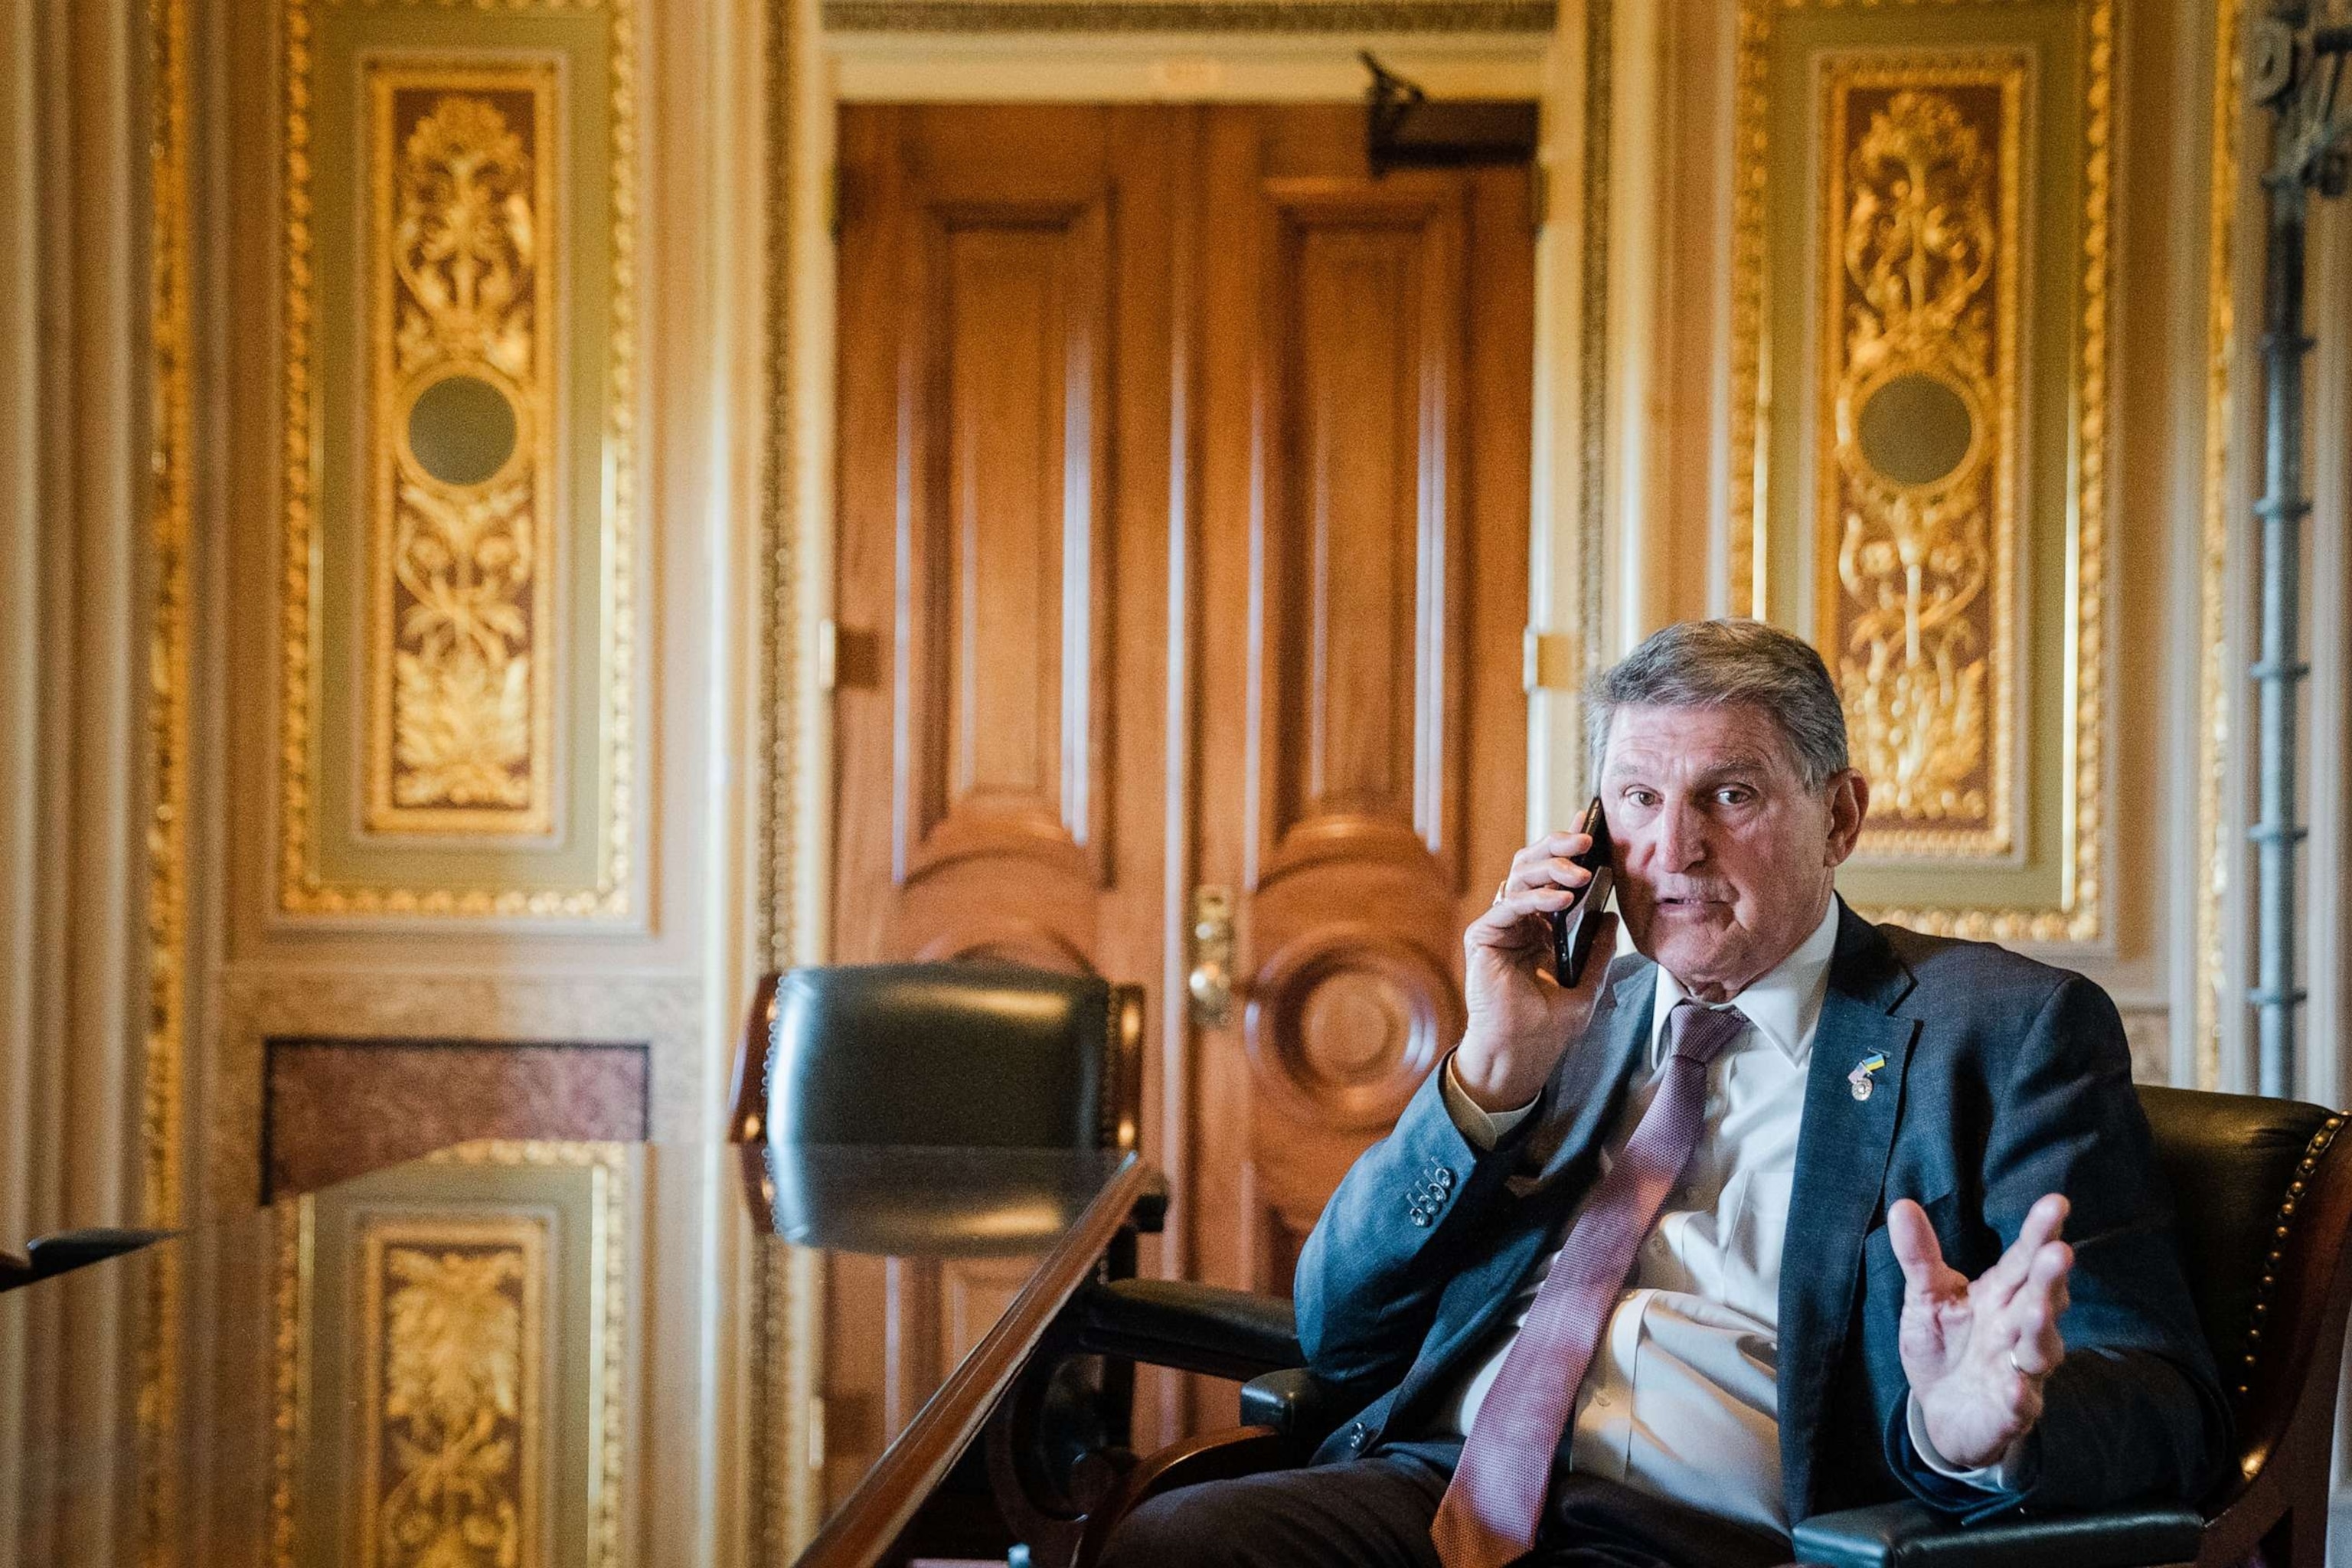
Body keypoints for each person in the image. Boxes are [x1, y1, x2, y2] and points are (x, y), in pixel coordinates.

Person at [1104, 619, 2227, 1568]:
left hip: (1711, 1536)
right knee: (1175, 1544)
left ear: (1839, 818)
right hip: (1439, 1489)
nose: (1673, 849)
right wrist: (1485, 1078)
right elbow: (1336, 1329)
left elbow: (2169, 1404)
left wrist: (1967, 1434)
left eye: (1728, 794)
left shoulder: (2005, 1031)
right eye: (1637, 798)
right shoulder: (1561, 1017)